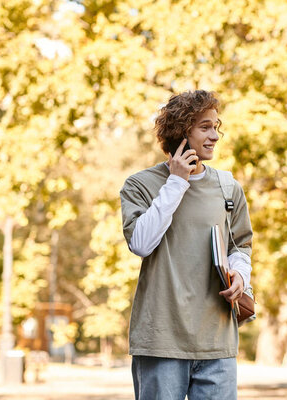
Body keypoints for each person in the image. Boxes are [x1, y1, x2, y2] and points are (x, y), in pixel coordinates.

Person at [119, 90, 253, 400]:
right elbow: (141, 243)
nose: (215, 136)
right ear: (182, 132)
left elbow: (241, 245)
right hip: (160, 340)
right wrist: (177, 182)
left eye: (217, 126)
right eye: (205, 127)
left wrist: (240, 277)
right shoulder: (140, 185)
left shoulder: (228, 187)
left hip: (216, 340)